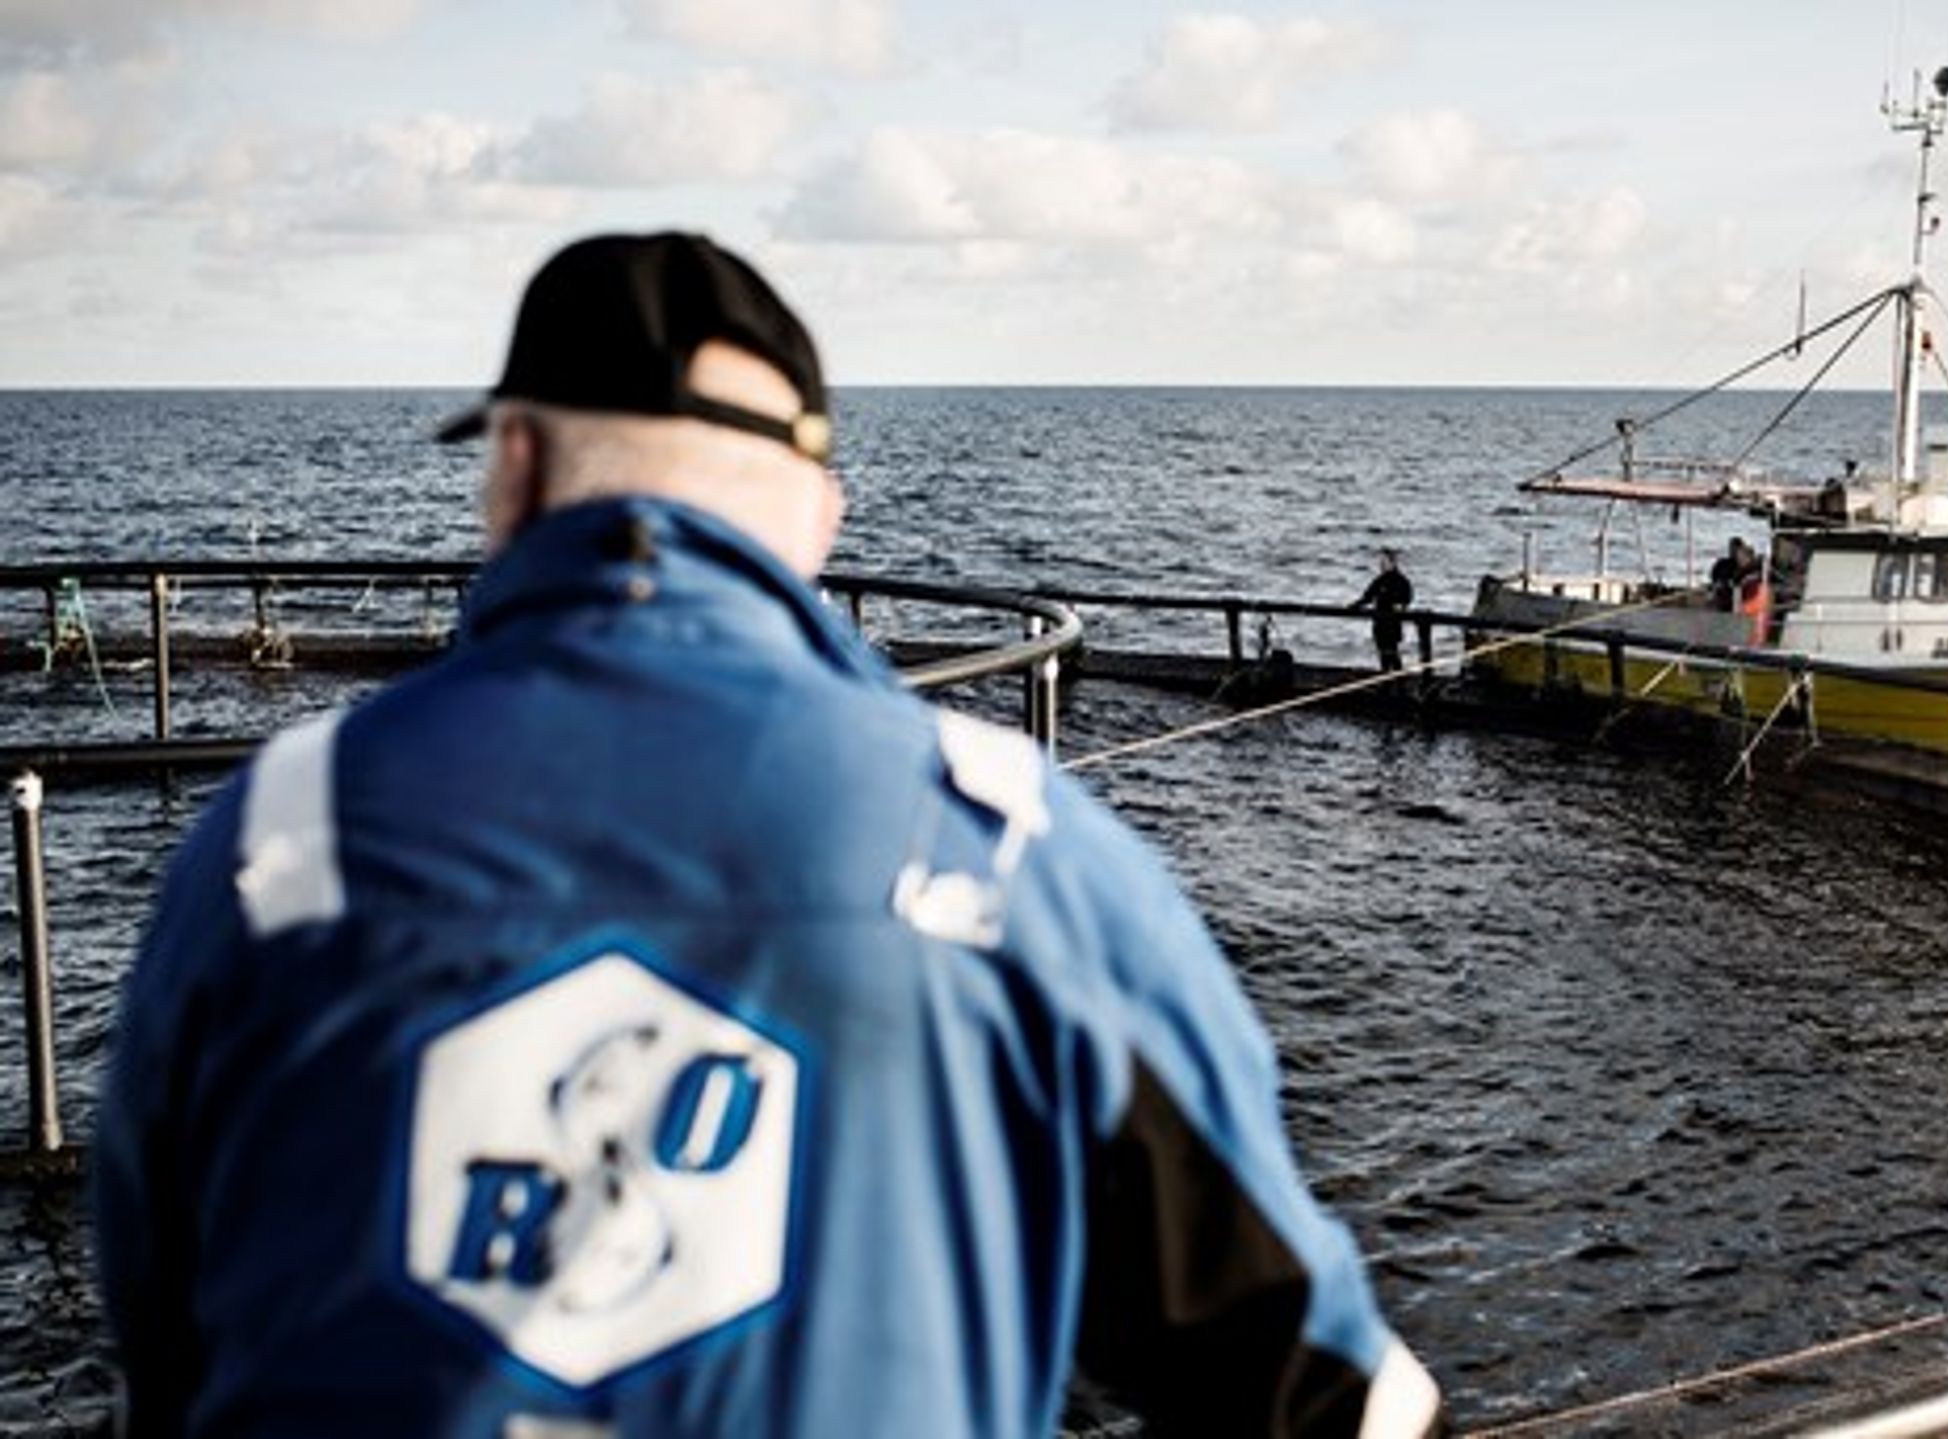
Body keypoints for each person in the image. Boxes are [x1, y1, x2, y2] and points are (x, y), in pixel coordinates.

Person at [92, 233, 1441, 1438]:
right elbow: (1319, 1388)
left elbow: (165, 1339)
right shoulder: (1009, 850)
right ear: (818, 512)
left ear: (512, 463)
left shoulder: (276, 839)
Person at [1349, 548, 1414, 671]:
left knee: (1392, 653)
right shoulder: (1380, 580)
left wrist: (1400, 607)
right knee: (1383, 654)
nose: (1382, 565)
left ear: (1393, 563)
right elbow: (1368, 597)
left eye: (1385, 562)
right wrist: (1354, 606)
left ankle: (1398, 682)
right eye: (1381, 562)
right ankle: (1388, 681)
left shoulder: (1401, 581)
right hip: (1379, 622)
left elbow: (1407, 599)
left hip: (1392, 623)